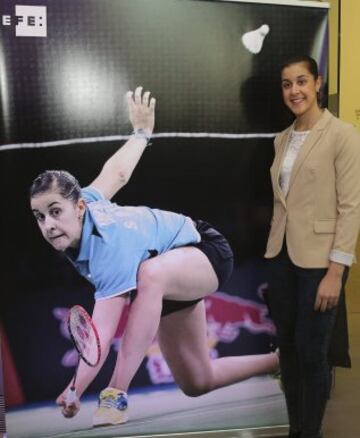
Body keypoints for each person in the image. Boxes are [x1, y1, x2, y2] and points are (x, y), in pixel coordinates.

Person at [30, 86, 279, 427]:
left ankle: (117, 395)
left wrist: (77, 386)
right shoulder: (87, 204)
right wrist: (142, 132)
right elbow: (116, 172)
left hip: (203, 251)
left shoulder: (108, 249)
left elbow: (99, 335)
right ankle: (283, 361)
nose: (48, 224)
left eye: (55, 211)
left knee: (148, 273)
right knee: (197, 381)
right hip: (168, 277)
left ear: (79, 206)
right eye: (40, 216)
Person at [265, 55, 360, 438]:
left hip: (322, 262)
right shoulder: (282, 139)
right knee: (288, 349)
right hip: (282, 256)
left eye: (301, 81)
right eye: (287, 84)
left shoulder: (343, 134)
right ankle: (296, 429)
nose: (294, 91)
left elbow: (351, 207)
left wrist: (336, 272)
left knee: (312, 351)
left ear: (317, 83)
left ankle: (311, 432)